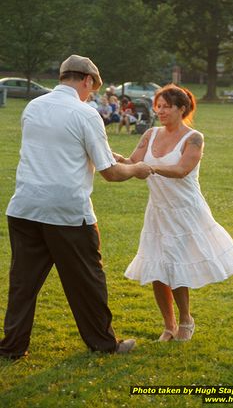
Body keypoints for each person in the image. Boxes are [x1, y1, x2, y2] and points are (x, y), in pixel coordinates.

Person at [0, 54, 151, 360]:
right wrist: (137, 169)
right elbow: (109, 174)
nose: (92, 94)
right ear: (85, 80)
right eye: (92, 89)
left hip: (25, 207)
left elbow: (62, 145)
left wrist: (111, 153)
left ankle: (12, 347)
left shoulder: (33, 107)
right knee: (88, 281)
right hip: (67, 212)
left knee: (22, 285)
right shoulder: (86, 114)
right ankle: (105, 344)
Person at [114, 83, 233, 342]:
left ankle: (187, 319)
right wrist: (107, 155)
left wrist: (150, 168)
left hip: (185, 212)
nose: (160, 111)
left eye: (166, 107)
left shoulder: (194, 138)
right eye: (158, 106)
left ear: (182, 108)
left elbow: (181, 170)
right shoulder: (150, 134)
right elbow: (133, 163)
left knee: (175, 267)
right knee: (156, 267)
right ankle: (169, 325)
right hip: (157, 212)